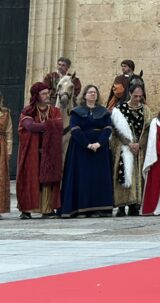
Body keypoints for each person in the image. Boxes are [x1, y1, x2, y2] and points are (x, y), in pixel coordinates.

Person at [60, 85, 115, 217]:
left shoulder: (104, 112)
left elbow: (108, 128)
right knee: (82, 178)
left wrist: (99, 143)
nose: (92, 94)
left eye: (94, 92)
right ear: (84, 95)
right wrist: (87, 144)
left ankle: (99, 208)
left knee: (98, 178)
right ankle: (80, 209)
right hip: (80, 150)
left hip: (100, 150)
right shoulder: (76, 112)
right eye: (90, 92)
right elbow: (75, 129)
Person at [16, 81, 63, 219]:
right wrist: (49, 125)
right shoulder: (28, 111)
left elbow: (60, 125)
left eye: (48, 93)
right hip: (31, 151)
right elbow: (30, 127)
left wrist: (43, 125)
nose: (47, 95)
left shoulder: (54, 111)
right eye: (44, 94)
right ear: (36, 95)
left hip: (49, 151)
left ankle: (47, 209)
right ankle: (26, 210)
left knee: (48, 180)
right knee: (29, 179)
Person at [111, 84, 149, 216]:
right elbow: (116, 129)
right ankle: (121, 206)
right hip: (124, 148)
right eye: (135, 96)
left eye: (140, 96)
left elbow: (148, 129)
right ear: (130, 94)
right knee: (123, 174)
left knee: (137, 176)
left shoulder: (145, 110)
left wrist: (139, 144)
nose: (138, 99)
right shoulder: (120, 109)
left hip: (139, 149)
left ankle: (134, 205)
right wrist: (129, 143)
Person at [0, 93, 11, 216]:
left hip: (1, 146)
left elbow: (9, 132)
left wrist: (9, 150)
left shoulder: (5, 113)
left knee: (1, 176)